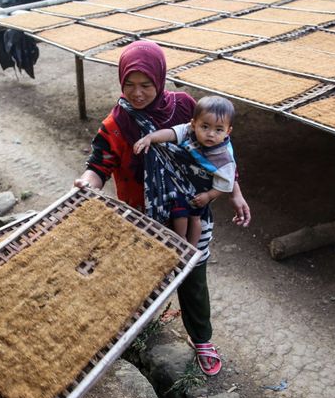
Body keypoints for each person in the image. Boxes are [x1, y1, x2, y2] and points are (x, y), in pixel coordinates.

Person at [74, 41, 250, 376]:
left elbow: (218, 154)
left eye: (146, 85)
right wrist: (87, 182)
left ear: (160, 79)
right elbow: (99, 164)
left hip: (190, 204)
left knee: (192, 273)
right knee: (142, 272)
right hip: (142, 213)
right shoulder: (117, 122)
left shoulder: (185, 107)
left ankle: (202, 338)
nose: (137, 94)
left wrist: (235, 193)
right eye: (129, 84)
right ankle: (132, 330)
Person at [132, 96, 237, 248]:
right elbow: (171, 134)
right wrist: (150, 137)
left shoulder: (224, 158)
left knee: (195, 218)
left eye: (218, 129)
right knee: (178, 211)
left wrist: (208, 196)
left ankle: (191, 249)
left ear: (228, 131)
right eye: (205, 127)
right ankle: (181, 241)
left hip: (202, 192)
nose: (211, 134)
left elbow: (225, 184)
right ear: (194, 124)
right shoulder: (188, 131)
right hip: (182, 181)